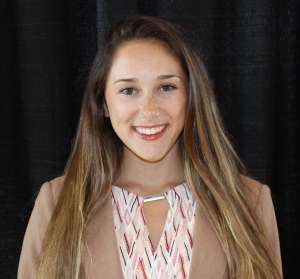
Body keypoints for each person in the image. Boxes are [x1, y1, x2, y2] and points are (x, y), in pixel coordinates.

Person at [17, 15, 283, 279]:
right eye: (129, 91)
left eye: (166, 87)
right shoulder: (56, 203)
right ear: (103, 104)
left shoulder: (250, 202)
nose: (149, 110)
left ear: (192, 97)